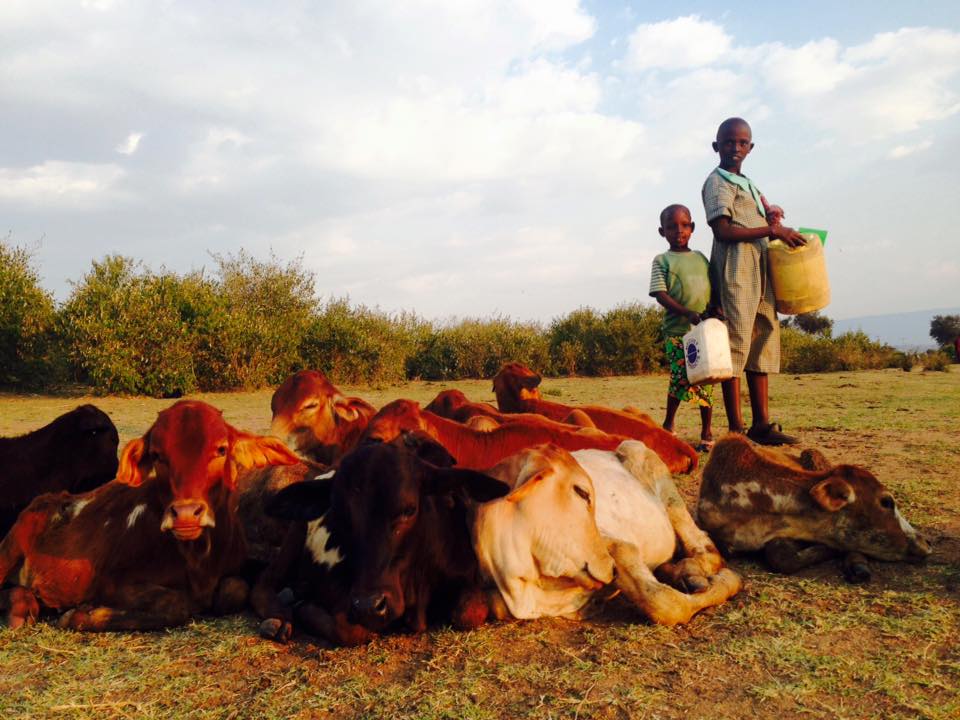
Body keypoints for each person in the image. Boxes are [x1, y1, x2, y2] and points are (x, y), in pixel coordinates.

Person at [702, 117, 806, 445]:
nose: (736, 148)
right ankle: (736, 430)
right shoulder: (717, 182)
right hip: (735, 268)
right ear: (716, 146)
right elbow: (723, 230)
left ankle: (762, 424)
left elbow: (758, 216)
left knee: (762, 337)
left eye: (742, 142)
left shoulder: (749, 183)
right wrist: (773, 230)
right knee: (735, 342)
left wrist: (771, 214)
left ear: (751, 147)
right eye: (729, 142)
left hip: (761, 267)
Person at [649, 203, 714, 452]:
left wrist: (713, 310)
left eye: (685, 225)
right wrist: (687, 312)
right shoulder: (662, 260)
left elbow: (712, 286)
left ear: (693, 228)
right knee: (679, 379)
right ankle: (668, 425)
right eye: (671, 226)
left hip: (703, 331)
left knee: (707, 378)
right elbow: (659, 293)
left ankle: (707, 432)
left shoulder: (700, 258)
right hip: (677, 332)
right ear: (661, 231)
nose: (679, 231)